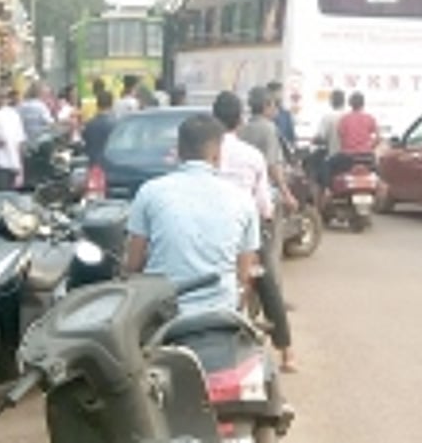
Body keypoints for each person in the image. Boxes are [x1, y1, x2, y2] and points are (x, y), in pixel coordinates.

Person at [125, 115, 260, 317]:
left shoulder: (150, 192)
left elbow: (133, 264)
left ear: (178, 151)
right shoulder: (242, 199)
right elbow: (244, 272)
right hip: (221, 313)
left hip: (163, 315)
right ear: (217, 154)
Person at [213, 91, 297, 372]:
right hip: (244, 231)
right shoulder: (252, 155)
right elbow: (264, 204)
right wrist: (269, 212)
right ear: (239, 120)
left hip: (208, 232)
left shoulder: (205, 151)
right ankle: (286, 352)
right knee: (267, 282)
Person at [239, 87, 298, 307]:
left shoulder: (243, 129)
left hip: (242, 199)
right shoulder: (269, 129)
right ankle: (275, 302)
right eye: (274, 104)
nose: (276, 109)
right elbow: (273, 165)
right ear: (266, 106)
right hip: (264, 198)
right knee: (272, 251)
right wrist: (286, 192)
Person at [0, 89, 26, 191]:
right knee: (9, 193)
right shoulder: (14, 115)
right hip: (10, 161)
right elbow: (20, 141)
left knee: (2, 192)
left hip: (1, 162)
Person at [312, 89, 346, 197]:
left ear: (331, 102)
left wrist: (314, 140)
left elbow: (321, 137)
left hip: (333, 154)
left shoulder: (327, 117)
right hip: (350, 156)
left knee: (315, 167)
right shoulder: (348, 116)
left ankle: (324, 192)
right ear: (344, 102)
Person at [82, 91, 117, 167]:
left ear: (97, 104)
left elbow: (86, 143)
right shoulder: (115, 125)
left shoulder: (89, 124)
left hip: (94, 164)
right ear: (111, 104)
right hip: (111, 165)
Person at [267, 81, 297, 146]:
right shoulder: (264, 112)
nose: (281, 95)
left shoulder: (286, 114)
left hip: (283, 150)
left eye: (281, 92)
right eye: (276, 92)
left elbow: (291, 135)